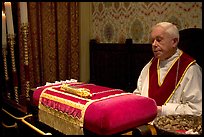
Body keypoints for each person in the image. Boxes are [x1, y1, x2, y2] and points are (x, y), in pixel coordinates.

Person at [133, 22, 202, 116]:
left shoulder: (190, 69)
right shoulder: (150, 65)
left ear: (174, 42)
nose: (154, 44)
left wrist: (163, 110)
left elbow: (196, 109)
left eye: (159, 40)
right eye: (152, 40)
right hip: (145, 122)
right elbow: (138, 93)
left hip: (172, 127)